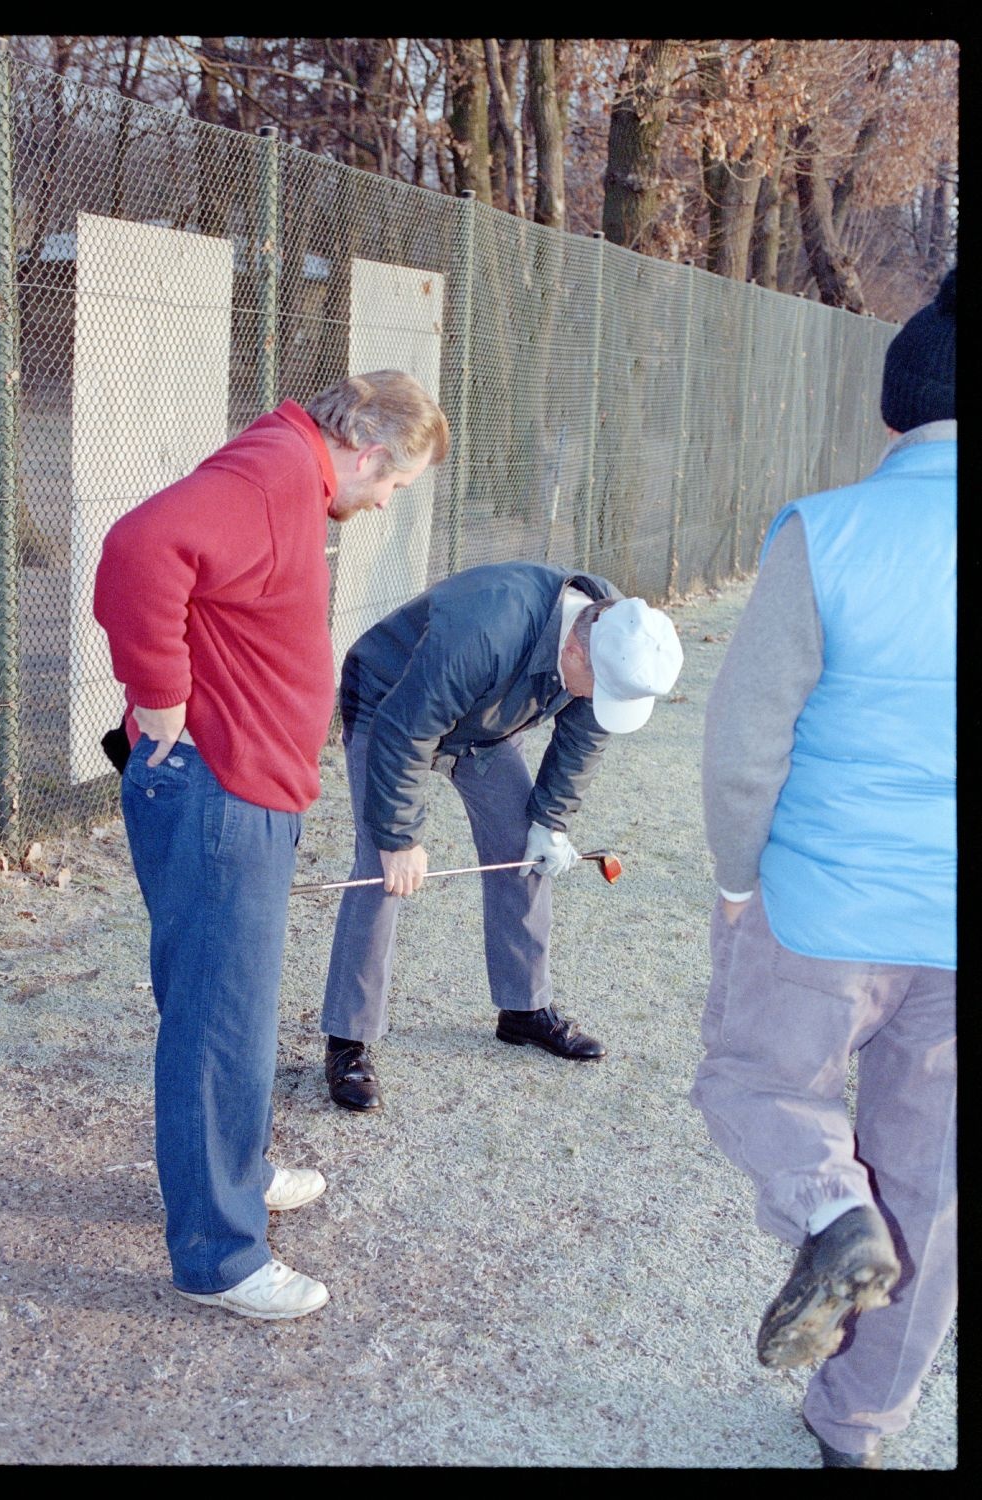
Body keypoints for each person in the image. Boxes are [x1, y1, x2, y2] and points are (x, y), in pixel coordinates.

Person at [93, 371, 450, 1320]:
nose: (382, 504)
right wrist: (160, 687)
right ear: (369, 452)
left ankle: (234, 1169)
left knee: (219, 1003)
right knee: (220, 1017)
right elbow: (138, 549)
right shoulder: (273, 474)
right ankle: (218, 1255)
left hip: (235, 787)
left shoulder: (284, 467)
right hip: (219, 790)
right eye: (394, 486)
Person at [691, 271, 956, 1467]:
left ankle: (829, 1208)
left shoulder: (826, 530)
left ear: (894, 416)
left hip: (821, 906)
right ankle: (856, 1424)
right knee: (932, 1181)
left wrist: (736, 876)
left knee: (754, 1084)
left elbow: (747, 741)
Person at [320, 561, 684, 1111]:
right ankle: (349, 1038)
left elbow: (585, 733)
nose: (597, 699)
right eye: (598, 688)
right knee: (380, 872)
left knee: (523, 850)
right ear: (574, 653)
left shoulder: (612, 626)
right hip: (391, 705)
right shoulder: (487, 627)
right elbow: (408, 726)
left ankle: (523, 1009)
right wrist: (399, 837)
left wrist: (550, 820)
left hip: (486, 726)